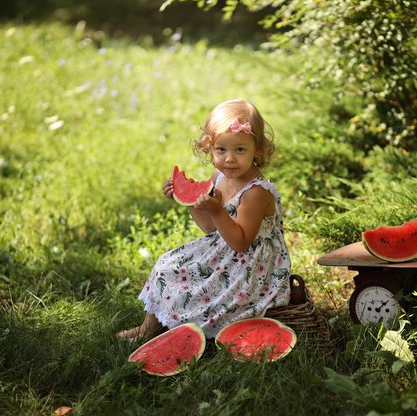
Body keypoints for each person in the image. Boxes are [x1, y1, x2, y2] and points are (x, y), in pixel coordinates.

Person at [117, 98, 291, 340]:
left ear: (257, 150)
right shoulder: (218, 177)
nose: (229, 158)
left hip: (251, 267)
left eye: (240, 150)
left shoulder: (256, 192)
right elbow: (210, 227)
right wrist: (187, 200)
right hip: (224, 251)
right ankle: (148, 329)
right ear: (209, 148)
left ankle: (184, 326)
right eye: (221, 150)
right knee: (167, 265)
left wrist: (218, 211)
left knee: (199, 288)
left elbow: (240, 243)